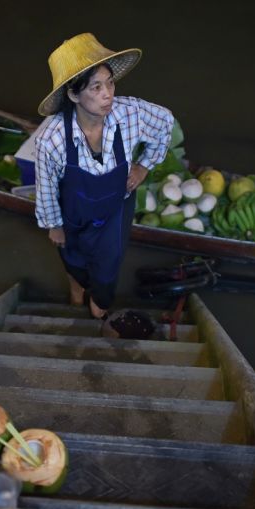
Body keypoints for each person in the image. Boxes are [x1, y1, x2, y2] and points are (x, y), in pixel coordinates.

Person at [34, 33, 174, 319]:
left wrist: (144, 165)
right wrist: (53, 224)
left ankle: (99, 307)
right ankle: (76, 290)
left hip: (115, 208)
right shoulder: (51, 139)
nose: (107, 94)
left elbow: (165, 121)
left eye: (110, 83)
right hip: (74, 211)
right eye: (95, 87)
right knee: (72, 257)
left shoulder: (130, 113)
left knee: (108, 264)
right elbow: (46, 186)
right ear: (73, 94)